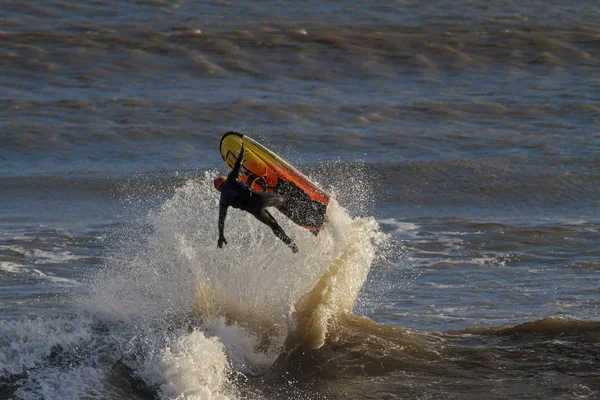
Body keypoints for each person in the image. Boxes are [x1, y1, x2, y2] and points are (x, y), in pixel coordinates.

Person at [214, 143, 299, 253]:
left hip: (255, 211)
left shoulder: (223, 201)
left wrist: (221, 235)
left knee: (273, 225)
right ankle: (300, 206)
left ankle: (293, 246)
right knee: (284, 199)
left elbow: (221, 220)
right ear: (224, 179)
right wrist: (243, 150)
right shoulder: (230, 179)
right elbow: (238, 164)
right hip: (259, 199)